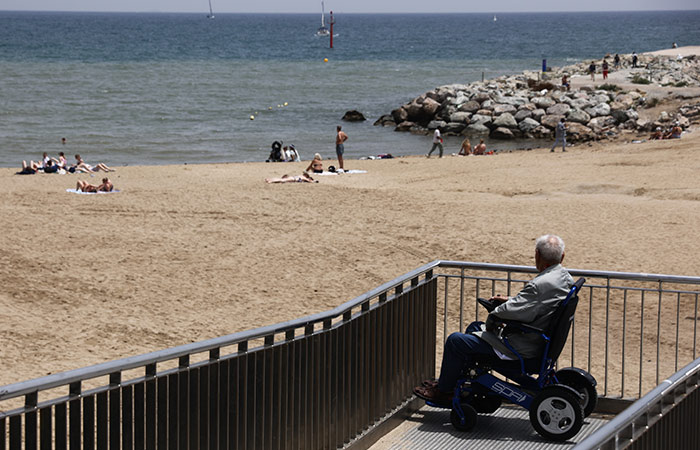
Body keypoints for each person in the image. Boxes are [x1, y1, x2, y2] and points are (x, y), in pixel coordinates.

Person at [413, 235, 573, 405]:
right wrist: (510, 300)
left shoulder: (539, 285)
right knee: (475, 328)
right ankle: (454, 382)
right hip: (541, 343)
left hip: (523, 348)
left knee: (456, 341)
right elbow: (534, 304)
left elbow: (508, 312)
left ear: (537, 254)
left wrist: (493, 317)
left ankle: (445, 391)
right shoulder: (564, 278)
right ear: (562, 257)